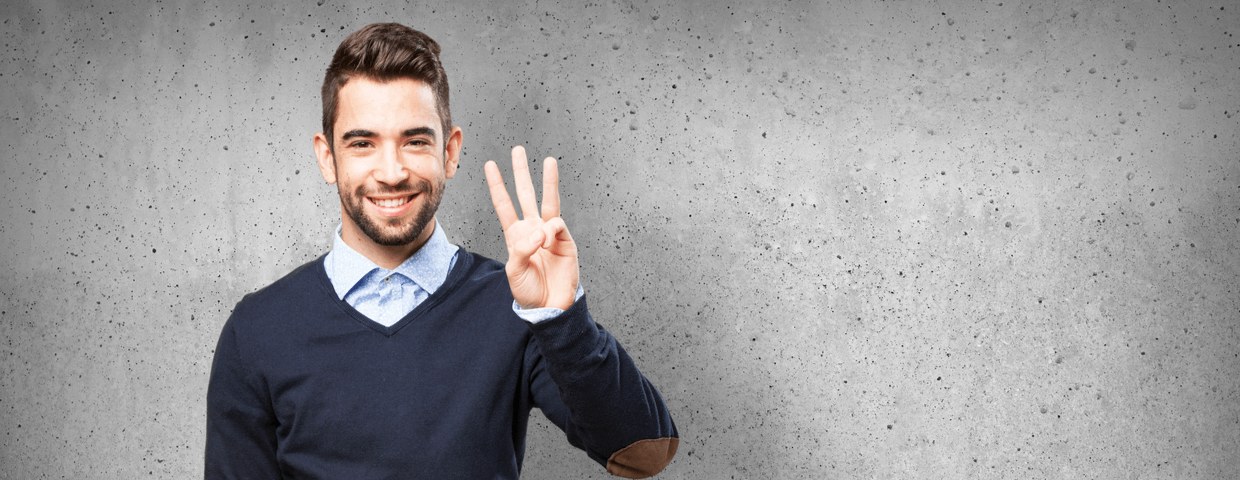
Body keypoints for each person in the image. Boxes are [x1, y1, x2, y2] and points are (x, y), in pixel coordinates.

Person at [205, 23, 678, 479]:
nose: (391, 172)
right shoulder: (257, 331)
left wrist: (562, 317)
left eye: (414, 141)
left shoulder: (517, 307)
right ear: (328, 157)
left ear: (450, 152)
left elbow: (643, 455)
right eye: (363, 143)